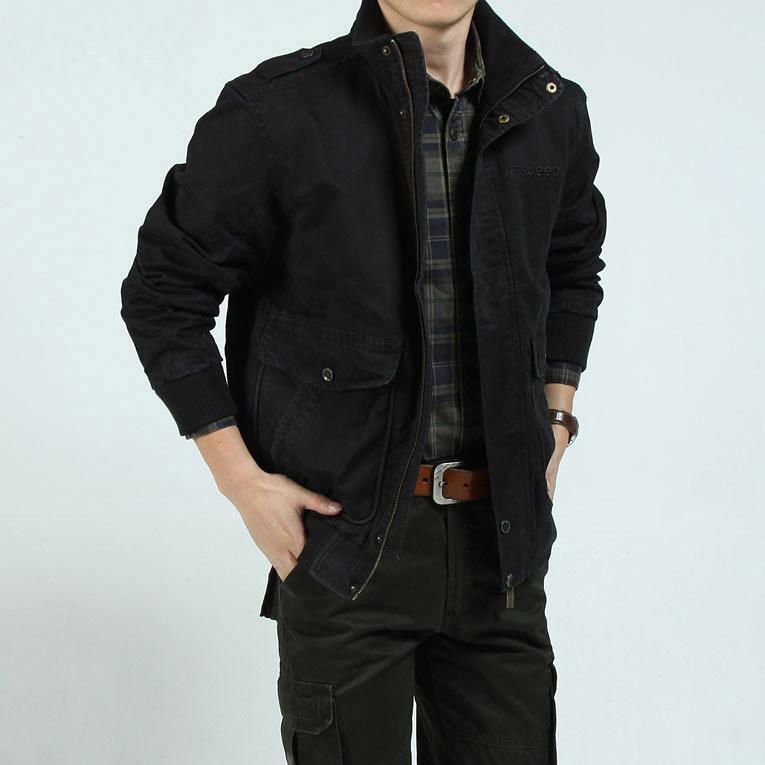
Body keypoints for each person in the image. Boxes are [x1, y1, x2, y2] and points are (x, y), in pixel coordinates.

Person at [120, 0, 607, 761]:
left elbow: (572, 267)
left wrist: (555, 420)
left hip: (503, 547)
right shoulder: (278, 110)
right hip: (348, 541)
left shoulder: (549, 108)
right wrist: (241, 481)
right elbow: (163, 293)